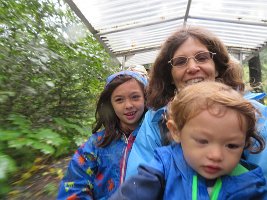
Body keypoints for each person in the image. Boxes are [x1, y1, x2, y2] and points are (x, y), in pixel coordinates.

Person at [125, 25, 267, 182]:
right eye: (180, 62)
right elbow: (137, 181)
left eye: (202, 58)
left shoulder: (253, 114)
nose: (192, 68)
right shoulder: (155, 120)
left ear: (217, 68)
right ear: (170, 76)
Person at [111, 81, 267, 199]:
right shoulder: (164, 165)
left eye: (232, 145)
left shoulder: (249, 182)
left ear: (245, 142)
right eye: (202, 141)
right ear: (176, 132)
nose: (216, 155)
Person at [57, 70, 148, 200]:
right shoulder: (95, 144)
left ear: (146, 98)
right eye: (119, 100)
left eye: (135, 97)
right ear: (110, 105)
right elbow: (73, 186)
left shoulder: (156, 137)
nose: (128, 105)